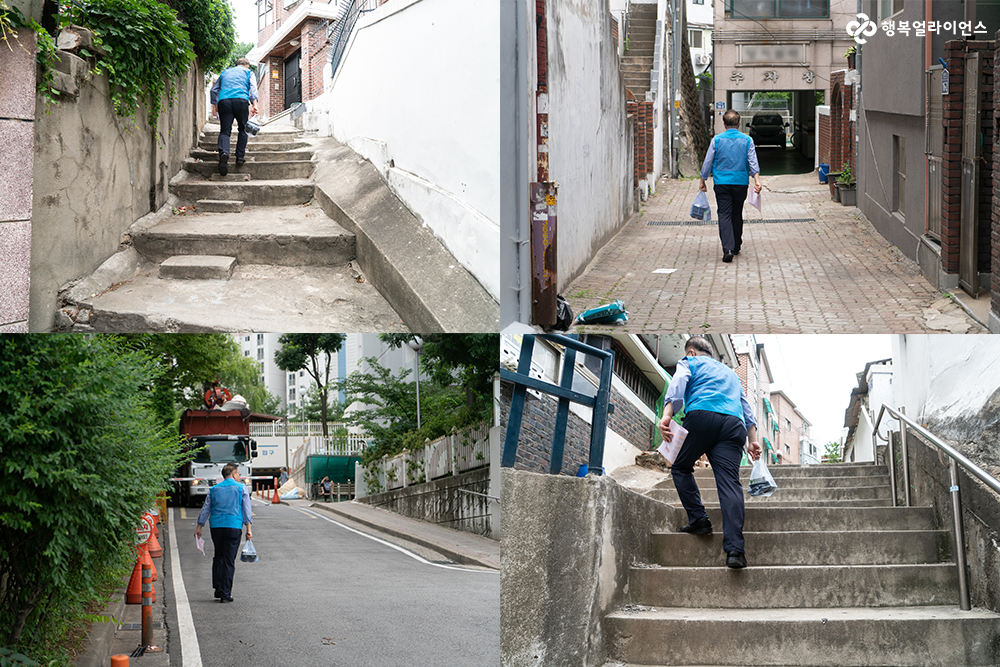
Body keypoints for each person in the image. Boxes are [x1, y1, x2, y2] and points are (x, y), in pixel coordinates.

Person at [657, 336, 763, 569]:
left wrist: (667, 413)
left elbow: (678, 384)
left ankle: (699, 519)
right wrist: (753, 440)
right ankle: (735, 550)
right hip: (734, 425)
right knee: (730, 484)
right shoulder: (731, 374)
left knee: (680, 467)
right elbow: (746, 406)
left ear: (692, 352)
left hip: (703, 416)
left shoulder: (689, 363)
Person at [699, 109, 763, 263]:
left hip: (721, 183)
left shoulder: (717, 140)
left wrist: (703, 179)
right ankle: (736, 246)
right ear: (739, 123)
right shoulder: (747, 140)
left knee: (724, 214)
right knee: (736, 213)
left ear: (724, 124)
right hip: (740, 182)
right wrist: (757, 180)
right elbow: (752, 161)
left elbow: (708, 161)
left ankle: (728, 248)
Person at [195, 463, 253, 602]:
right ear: (233, 474)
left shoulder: (214, 489)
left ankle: (218, 589)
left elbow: (206, 509)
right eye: (238, 473)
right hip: (233, 527)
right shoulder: (241, 488)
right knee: (229, 560)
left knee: (218, 556)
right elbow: (246, 510)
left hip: (216, 527)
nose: (239, 476)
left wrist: (199, 527)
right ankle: (226, 594)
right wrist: (248, 529)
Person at [209, 58, 259, 177]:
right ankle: (240, 157)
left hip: (224, 101)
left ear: (236, 65)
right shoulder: (248, 73)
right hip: (241, 100)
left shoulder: (224, 73)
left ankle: (224, 154)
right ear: (247, 65)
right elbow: (253, 88)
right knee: (243, 129)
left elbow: (213, 90)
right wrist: (254, 105)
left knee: (225, 131)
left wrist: (215, 105)